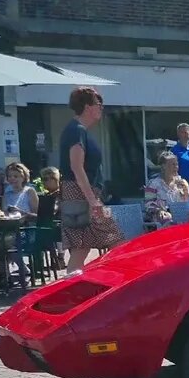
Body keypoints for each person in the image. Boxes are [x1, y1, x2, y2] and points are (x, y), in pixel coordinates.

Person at [58, 86, 124, 274]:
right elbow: (76, 167)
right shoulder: (76, 130)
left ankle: (69, 291)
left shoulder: (78, 130)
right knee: (116, 238)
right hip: (82, 195)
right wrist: (93, 201)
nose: (101, 108)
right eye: (99, 104)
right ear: (88, 106)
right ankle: (119, 279)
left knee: (80, 248)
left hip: (82, 195)